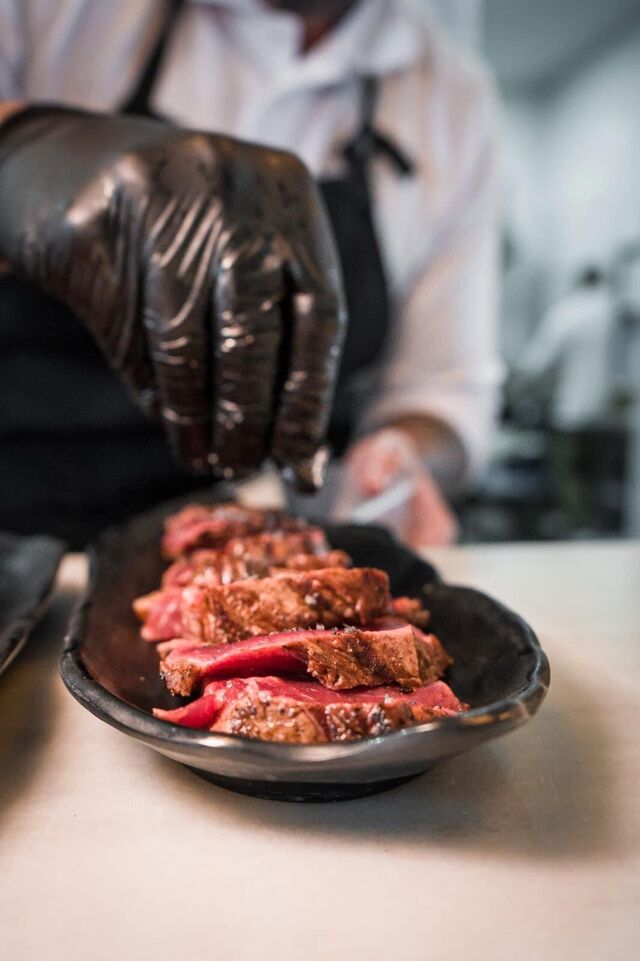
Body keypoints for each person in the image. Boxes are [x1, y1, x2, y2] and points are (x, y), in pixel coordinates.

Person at [0, 0, 500, 548]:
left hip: (266, 542)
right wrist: (34, 154)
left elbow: (441, 391)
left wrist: (399, 459)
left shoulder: (449, 98)